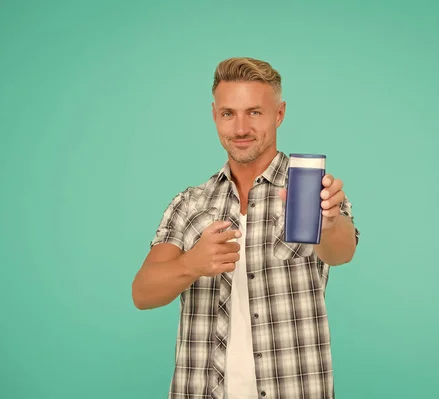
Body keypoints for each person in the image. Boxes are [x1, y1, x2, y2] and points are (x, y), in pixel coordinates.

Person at [132, 57, 360, 399]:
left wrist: (327, 224)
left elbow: (341, 252)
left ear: (279, 113)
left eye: (254, 112)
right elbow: (142, 292)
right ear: (214, 115)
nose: (240, 128)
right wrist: (192, 264)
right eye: (228, 113)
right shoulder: (190, 204)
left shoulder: (314, 191)